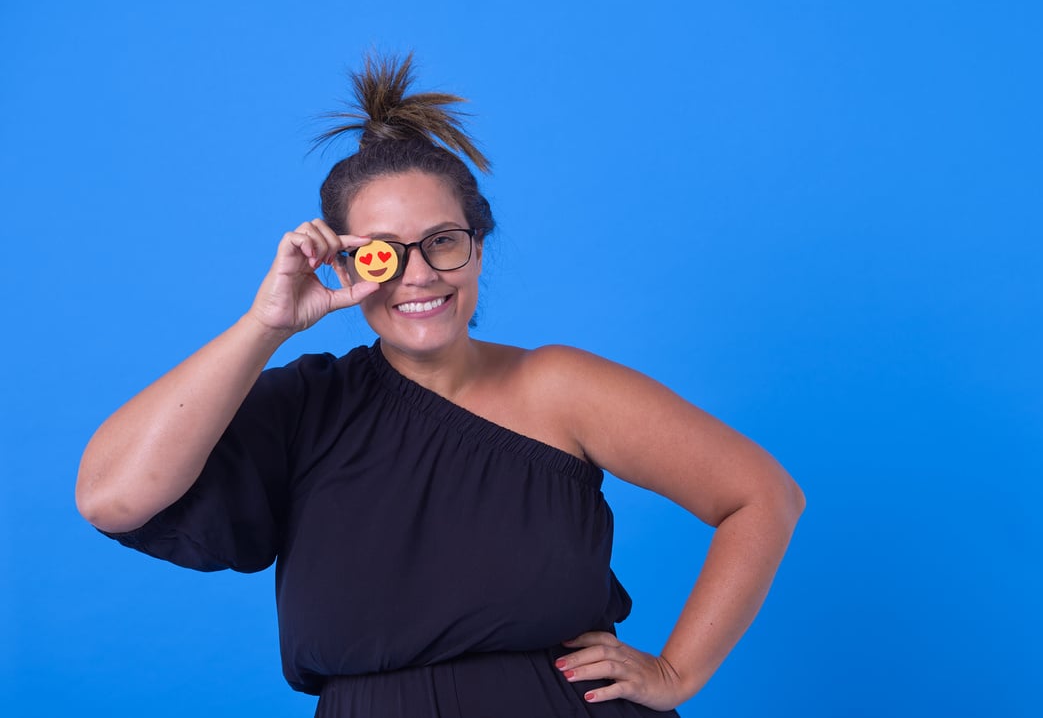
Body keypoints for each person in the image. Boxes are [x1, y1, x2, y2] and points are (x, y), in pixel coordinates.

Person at [76, 53, 805, 717]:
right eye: (383, 255)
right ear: (342, 266)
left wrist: (677, 671)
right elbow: (111, 498)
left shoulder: (559, 386)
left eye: (442, 242)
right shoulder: (305, 403)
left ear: (477, 248)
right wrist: (265, 323)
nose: (419, 274)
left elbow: (761, 495)